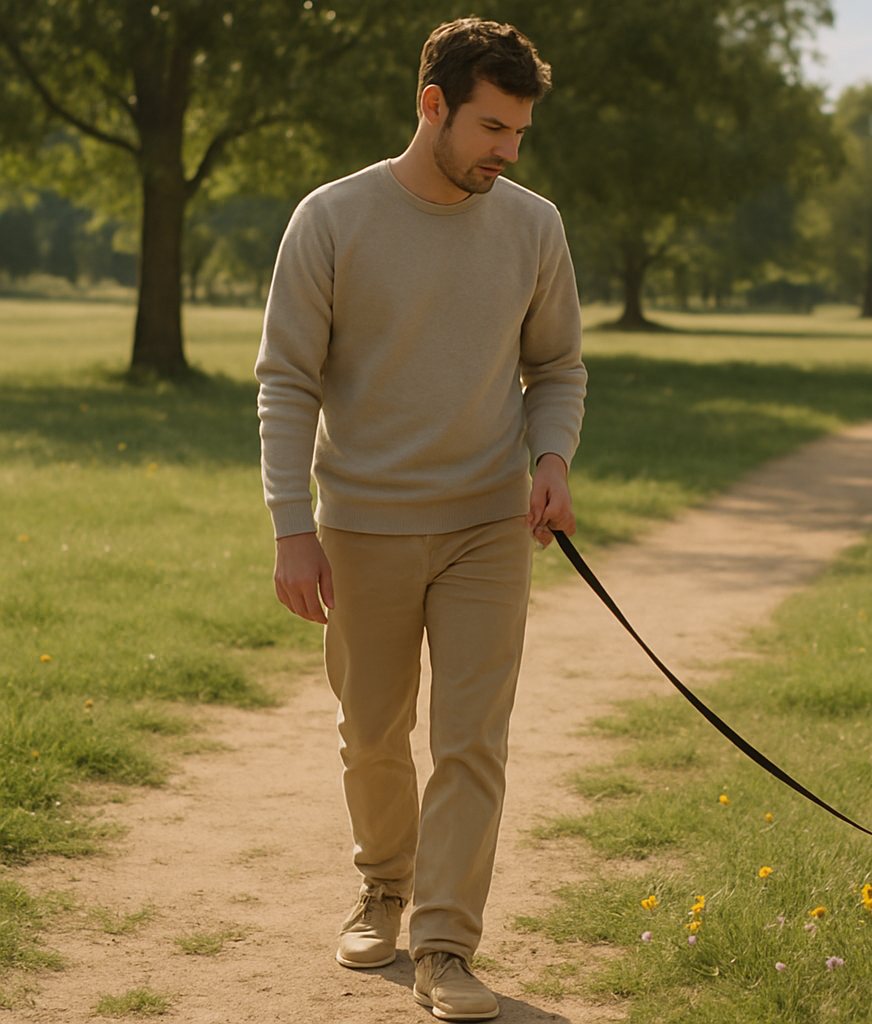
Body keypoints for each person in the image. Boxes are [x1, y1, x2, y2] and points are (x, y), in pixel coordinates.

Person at [255, 18, 585, 1022]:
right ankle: (382, 886)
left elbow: (557, 365)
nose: (508, 151)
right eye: (492, 127)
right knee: (372, 732)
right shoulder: (332, 219)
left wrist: (552, 460)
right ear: (431, 105)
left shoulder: (534, 226)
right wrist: (293, 525)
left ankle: (446, 943)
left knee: (473, 738)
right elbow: (287, 380)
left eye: (520, 133)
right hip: (363, 525)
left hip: (489, 523)